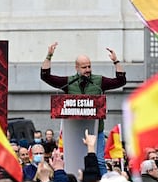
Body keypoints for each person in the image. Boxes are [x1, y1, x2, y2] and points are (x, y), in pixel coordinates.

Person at [40, 42, 127, 175]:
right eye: (84, 67)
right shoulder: (69, 82)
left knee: (99, 161)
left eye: (89, 66)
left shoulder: (99, 82)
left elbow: (120, 81)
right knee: (75, 161)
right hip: (74, 132)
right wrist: (49, 56)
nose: (88, 70)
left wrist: (116, 61)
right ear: (76, 68)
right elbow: (45, 76)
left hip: (95, 131)